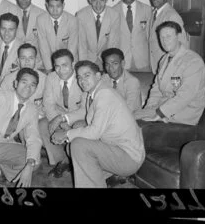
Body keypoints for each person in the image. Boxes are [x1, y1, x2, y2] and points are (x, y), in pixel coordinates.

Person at [51, 60, 145, 188]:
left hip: (128, 156)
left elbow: (94, 132)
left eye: (87, 75)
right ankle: (103, 177)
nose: (82, 80)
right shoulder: (93, 92)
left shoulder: (105, 94)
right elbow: (85, 111)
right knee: (73, 142)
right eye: (79, 77)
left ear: (98, 76)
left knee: (78, 145)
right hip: (114, 146)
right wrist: (62, 118)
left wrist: (66, 134)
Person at [135, 21, 205, 125]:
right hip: (163, 107)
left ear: (179, 36)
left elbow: (185, 96)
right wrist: (149, 108)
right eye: (161, 37)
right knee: (129, 116)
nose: (164, 41)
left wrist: (159, 113)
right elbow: (156, 89)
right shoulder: (164, 59)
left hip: (183, 113)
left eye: (168, 36)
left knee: (133, 125)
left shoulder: (193, 61)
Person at [39, 49, 85, 178]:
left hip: (79, 118)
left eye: (64, 65)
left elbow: (86, 109)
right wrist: (58, 121)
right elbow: (48, 104)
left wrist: (65, 120)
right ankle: (61, 161)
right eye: (57, 66)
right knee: (42, 124)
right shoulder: (51, 77)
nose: (60, 70)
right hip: (58, 116)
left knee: (78, 126)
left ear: (73, 64)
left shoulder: (82, 77)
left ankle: (80, 164)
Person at [76, 0, 120, 70]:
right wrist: (84, 66)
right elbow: (82, 45)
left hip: (106, 59)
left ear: (106, 0)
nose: (98, 4)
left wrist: (108, 65)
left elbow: (112, 44)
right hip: (87, 58)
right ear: (89, 0)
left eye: (102, 0)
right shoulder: (81, 15)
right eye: (94, 0)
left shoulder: (114, 15)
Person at [113, 0, 152, 72]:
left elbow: (151, 37)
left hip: (143, 61)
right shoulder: (112, 12)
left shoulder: (147, 10)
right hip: (122, 61)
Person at [148, 0, 188, 74]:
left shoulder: (172, 15)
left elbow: (182, 43)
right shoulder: (154, 13)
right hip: (156, 65)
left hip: (168, 66)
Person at [0, 43, 46, 118]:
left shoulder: (45, 80)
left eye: (31, 58)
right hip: (12, 117)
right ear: (18, 60)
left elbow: (49, 104)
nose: (27, 61)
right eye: (23, 58)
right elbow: (0, 102)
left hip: (36, 117)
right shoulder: (8, 79)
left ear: (36, 60)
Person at [36, 0, 78, 72]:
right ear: (46, 6)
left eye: (58, 6)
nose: (55, 10)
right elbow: (43, 46)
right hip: (48, 61)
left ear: (63, 5)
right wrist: (49, 68)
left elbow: (72, 47)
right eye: (51, 6)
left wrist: (66, 67)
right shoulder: (41, 19)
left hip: (68, 60)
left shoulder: (72, 20)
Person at [13, 0, 45, 70]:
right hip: (15, 61)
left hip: (38, 62)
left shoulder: (42, 14)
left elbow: (45, 43)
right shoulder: (9, 12)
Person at [101, 48, 142, 115]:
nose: (110, 68)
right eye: (107, 64)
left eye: (115, 63)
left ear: (122, 63)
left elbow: (129, 109)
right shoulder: (104, 79)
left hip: (129, 119)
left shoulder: (132, 82)